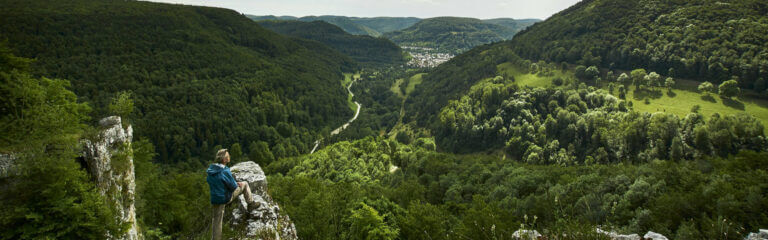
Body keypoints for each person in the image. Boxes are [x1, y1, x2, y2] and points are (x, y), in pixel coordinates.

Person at [206, 148, 259, 240]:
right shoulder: (224, 171)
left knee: (216, 220)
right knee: (245, 184)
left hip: (215, 198)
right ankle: (251, 204)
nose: (229, 156)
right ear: (224, 160)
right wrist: (238, 183)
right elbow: (233, 187)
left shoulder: (211, 170)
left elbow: (216, 182)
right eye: (228, 156)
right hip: (224, 198)